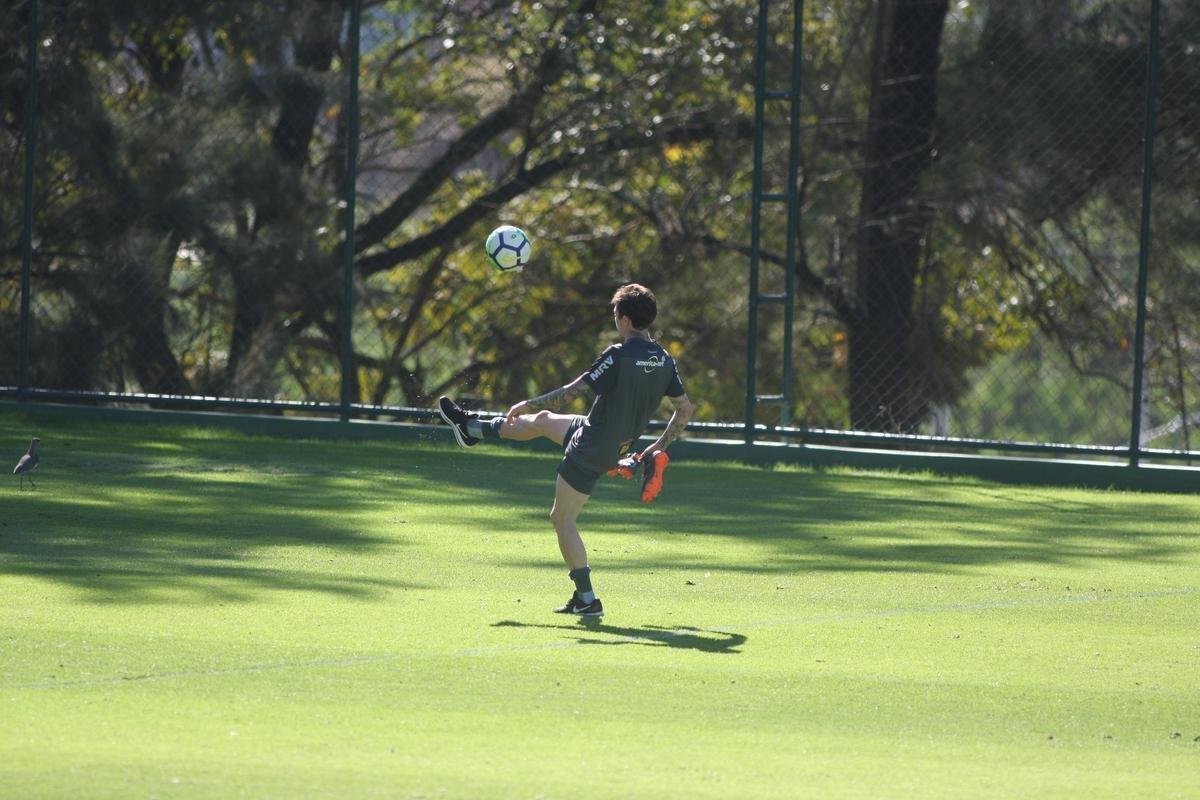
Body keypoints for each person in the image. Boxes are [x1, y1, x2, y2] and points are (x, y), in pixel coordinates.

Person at [437, 283, 693, 618]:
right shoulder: (664, 360)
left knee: (562, 518)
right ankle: (470, 429)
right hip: (604, 438)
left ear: (626, 320)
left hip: (591, 448)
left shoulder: (618, 355)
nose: (615, 320)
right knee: (542, 421)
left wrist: (528, 401)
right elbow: (684, 410)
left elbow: (572, 392)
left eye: (616, 314)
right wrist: (655, 449)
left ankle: (587, 599)